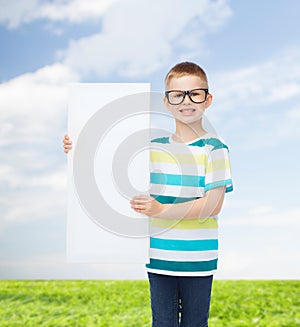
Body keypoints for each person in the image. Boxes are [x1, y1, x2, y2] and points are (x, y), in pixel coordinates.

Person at [63, 62, 233, 327]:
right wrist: (76, 146)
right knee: (162, 323)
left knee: (195, 324)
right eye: (177, 95)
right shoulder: (152, 148)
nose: (186, 101)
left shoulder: (214, 149)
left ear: (207, 99)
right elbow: (107, 161)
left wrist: (162, 211)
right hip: (159, 259)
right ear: (166, 102)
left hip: (198, 261)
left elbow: (212, 205)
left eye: (195, 94)